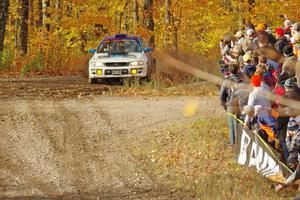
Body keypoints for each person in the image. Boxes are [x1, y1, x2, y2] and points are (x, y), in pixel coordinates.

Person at [220, 63, 242, 145]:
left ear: (229, 71)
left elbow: (222, 96)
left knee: (231, 126)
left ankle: (233, 143)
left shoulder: (226, 81)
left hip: (231, 104)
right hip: (241, 104)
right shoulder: (242, 79)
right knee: (240, 124)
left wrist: (224, 105)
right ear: (238, 69)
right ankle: (240, 143)